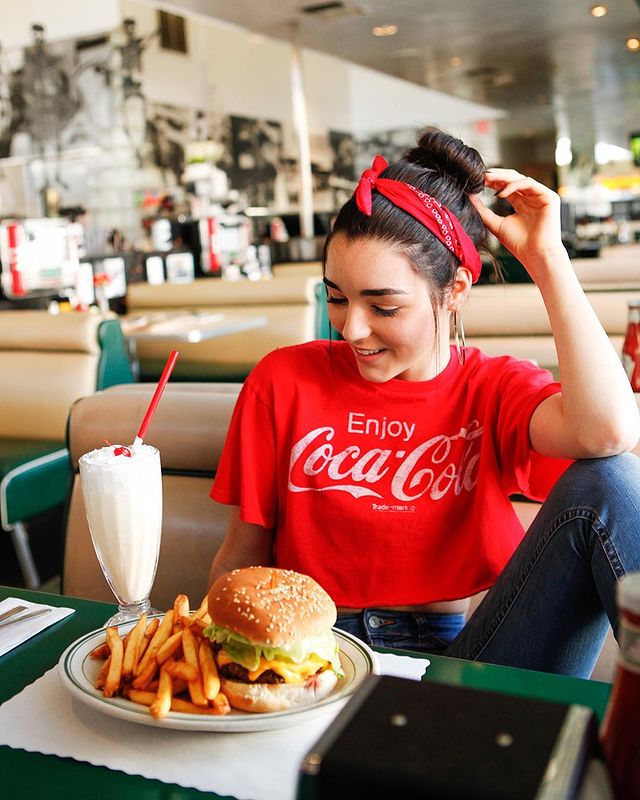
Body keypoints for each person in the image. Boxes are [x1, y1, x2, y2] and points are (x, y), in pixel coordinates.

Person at [209, 127, 640, 678]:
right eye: (336, 298)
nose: (351, 329)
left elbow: (608, 433)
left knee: (610, 481)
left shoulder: (492, 387)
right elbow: (241, 553)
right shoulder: (282, 379)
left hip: (450, 668)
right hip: (311, 655)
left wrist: (547, 260)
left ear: (455, 290)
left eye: (383, 307)